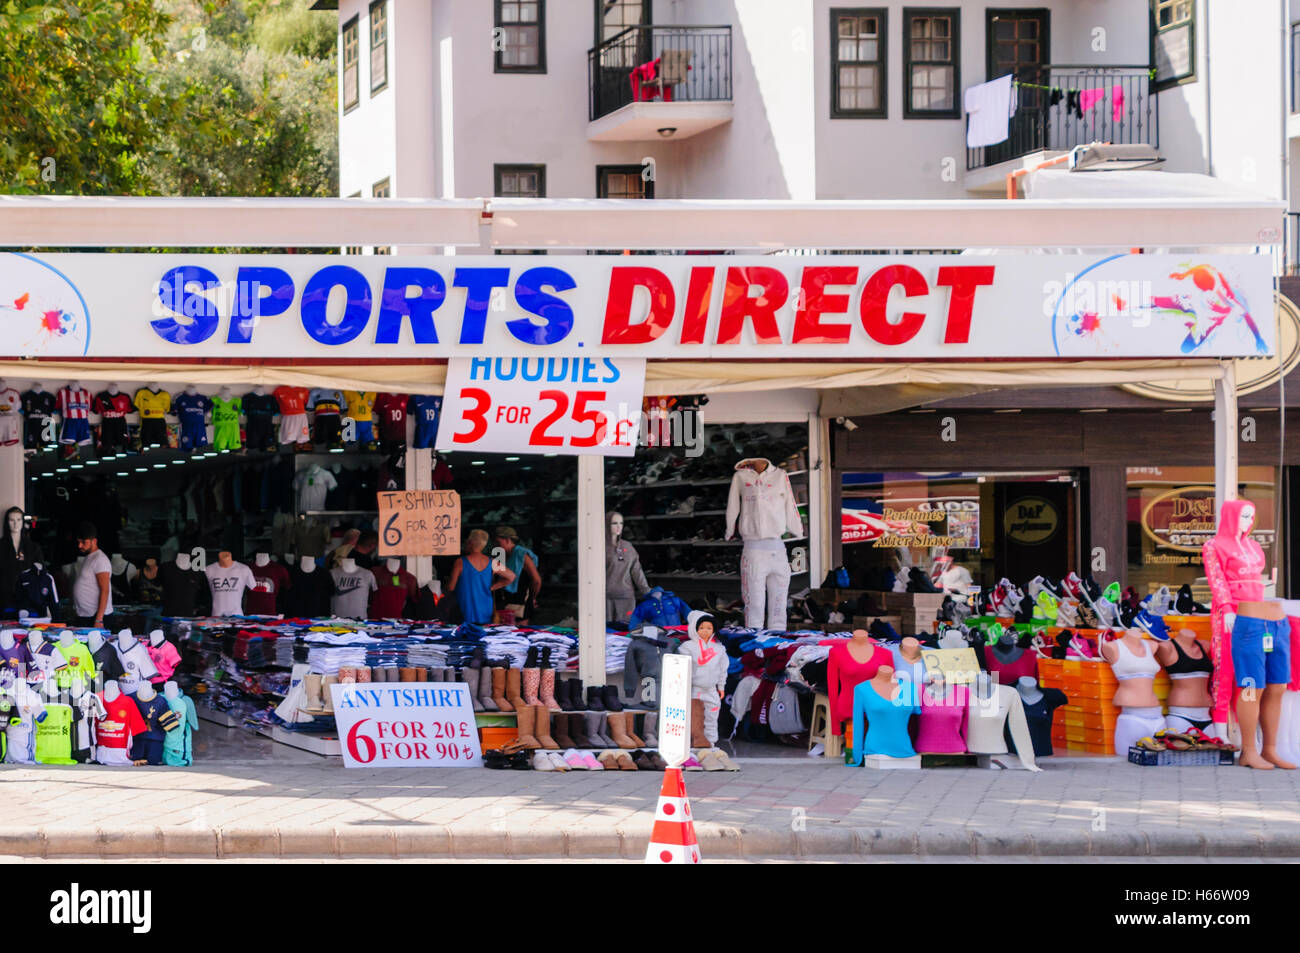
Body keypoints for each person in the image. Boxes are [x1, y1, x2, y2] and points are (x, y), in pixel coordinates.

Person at [447, 529, 515, 625]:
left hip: (464, 612)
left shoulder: (460, 562)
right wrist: (492, 587)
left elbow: (451, 587)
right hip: (486, 611)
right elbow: (511, 576)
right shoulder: (492, 562)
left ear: (470, 542)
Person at [493, 525, 541, 621]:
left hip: (521, 601)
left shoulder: (522, 555)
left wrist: (532, 598)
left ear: (507, 540)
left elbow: (536, 581)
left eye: (498, 542)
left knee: (520, 632)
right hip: (504, 600)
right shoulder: (500, 554)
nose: (496, 545)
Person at [73, 521, 112, 627]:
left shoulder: (100, 559)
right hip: (86, 615)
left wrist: (99, 619)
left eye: (83, 542)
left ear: (94, 541)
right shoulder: (88, 557)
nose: (79, 545)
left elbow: (105, 590)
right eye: (78, 542)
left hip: (96, 617)